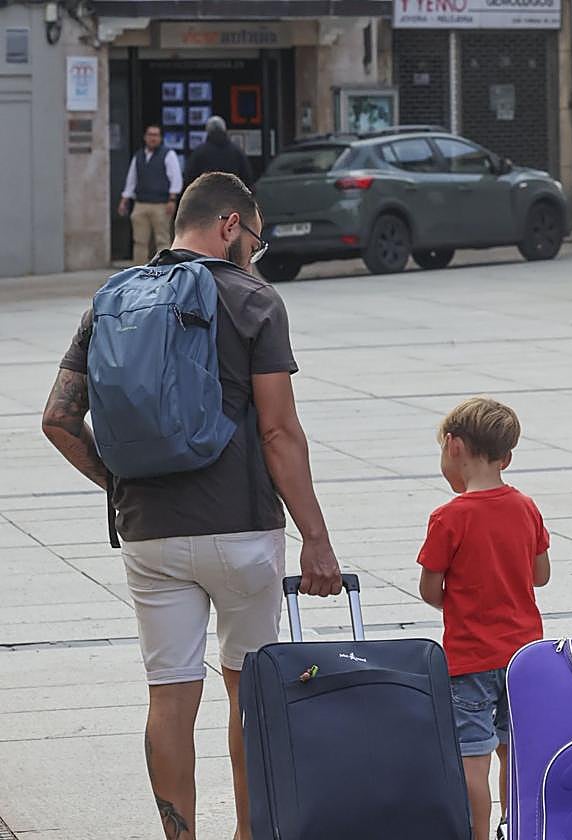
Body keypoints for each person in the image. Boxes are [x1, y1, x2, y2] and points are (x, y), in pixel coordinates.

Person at [42, 172, 342, 840]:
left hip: (150, 534)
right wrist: (317, 538)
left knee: (170, 696)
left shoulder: (111, 299)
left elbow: (59, 420)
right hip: (241, 531)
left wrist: (118, 485)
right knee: (249, 695)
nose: (255, 254)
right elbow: (278, 432)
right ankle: (248, 834)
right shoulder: (252, 300)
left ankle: (180, 836)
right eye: (256, 239)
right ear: (231, 224)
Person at [417, 397, 551, 840]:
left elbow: (429, 589)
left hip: (469, 659)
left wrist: (456, 604)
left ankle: (476, 835)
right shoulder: (526, 507)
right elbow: (541, 575)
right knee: (515, 750)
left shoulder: (448, 517)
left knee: (472, 756)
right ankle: (516, 828)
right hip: (523, 658)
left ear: (453, 446)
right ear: (506, 456)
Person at [118, 125, 182, 264]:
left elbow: (176, 178)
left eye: (156, 135)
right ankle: (139, 271)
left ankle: (164, 271)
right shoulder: (139, 156)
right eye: (150, 135)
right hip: (141, 203)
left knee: (162, 241)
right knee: (139, 241)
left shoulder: (168, 154)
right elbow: (132, 179)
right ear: (145, 137)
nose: (153, 138)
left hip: (161, 204)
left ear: (160, 138)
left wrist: (172, 199)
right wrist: (125, 199)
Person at [183, 116, 254, 193]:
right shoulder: (237, 152)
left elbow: (189, 179)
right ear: (224, 129)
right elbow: (247, 179)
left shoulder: (199, 152)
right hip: (232, 199)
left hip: (206, 198)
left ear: (207, 131)